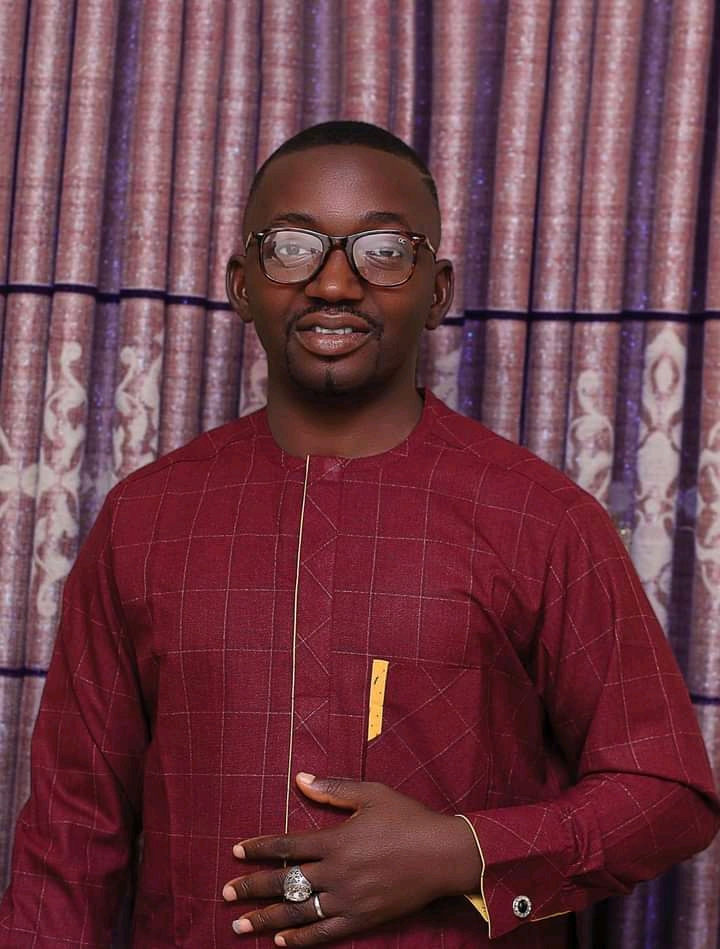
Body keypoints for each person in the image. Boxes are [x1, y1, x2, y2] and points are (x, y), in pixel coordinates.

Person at [0, 121, 718, 949]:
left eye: (383, 251)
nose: (335, 283)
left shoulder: (542, 519)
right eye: (292, 247)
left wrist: (461, 853)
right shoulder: (143, 521)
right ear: (240, 284)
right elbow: (69, 840)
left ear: (437, 290)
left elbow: (666, 791)